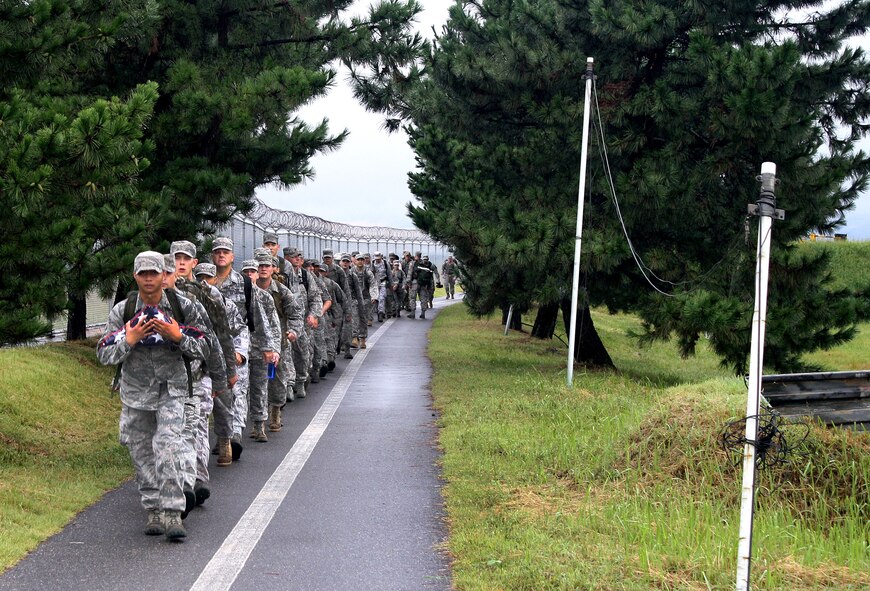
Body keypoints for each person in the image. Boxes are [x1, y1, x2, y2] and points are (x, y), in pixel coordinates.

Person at [97, 251, 210, 541]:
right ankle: (153, 510)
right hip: (135, 392)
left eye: (154, 273)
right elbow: (104, 353)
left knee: (167, 447)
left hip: (171, 389)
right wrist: (129, 340)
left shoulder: (183, 307)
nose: (148, 279)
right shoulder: (123, 311)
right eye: (143, 273)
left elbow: (205, 347)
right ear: (135, 276)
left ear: (164, 275)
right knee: (142, 452)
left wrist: (177, 336)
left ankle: (174, 512)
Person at [210, 237, 281, 443]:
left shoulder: (245, 286)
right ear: (213, 256)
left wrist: (270, 347)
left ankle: (237, 434)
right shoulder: (205, 283)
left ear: (232, 256)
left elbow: (260, 318)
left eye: (225, 252)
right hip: (213, 347)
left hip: (241, 345)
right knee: (218, 392)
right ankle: (223, 437)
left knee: (241, 389)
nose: (221, 255)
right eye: (217, 251)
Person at [253, 249, 303, 433]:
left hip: (278, 343)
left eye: (267, 265)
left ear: (274, 268)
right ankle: (258, 418)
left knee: (277, 380)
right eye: (259, 266)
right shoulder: (248, 288)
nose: (263, 269)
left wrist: (293, 331)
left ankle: (275, 410)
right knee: (255, 383)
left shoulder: (281, 291)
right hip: (254, 343)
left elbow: (296, 313)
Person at [412, 253, 437, 319]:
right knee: (423, 298)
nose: (425, 260)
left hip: (421, 283)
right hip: (424, 284)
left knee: (414, 297)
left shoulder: (428, 265)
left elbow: (413, 273)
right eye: (424, 259)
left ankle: (415, 312)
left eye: (426, 259)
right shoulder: (422, 265)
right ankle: (423, 312)